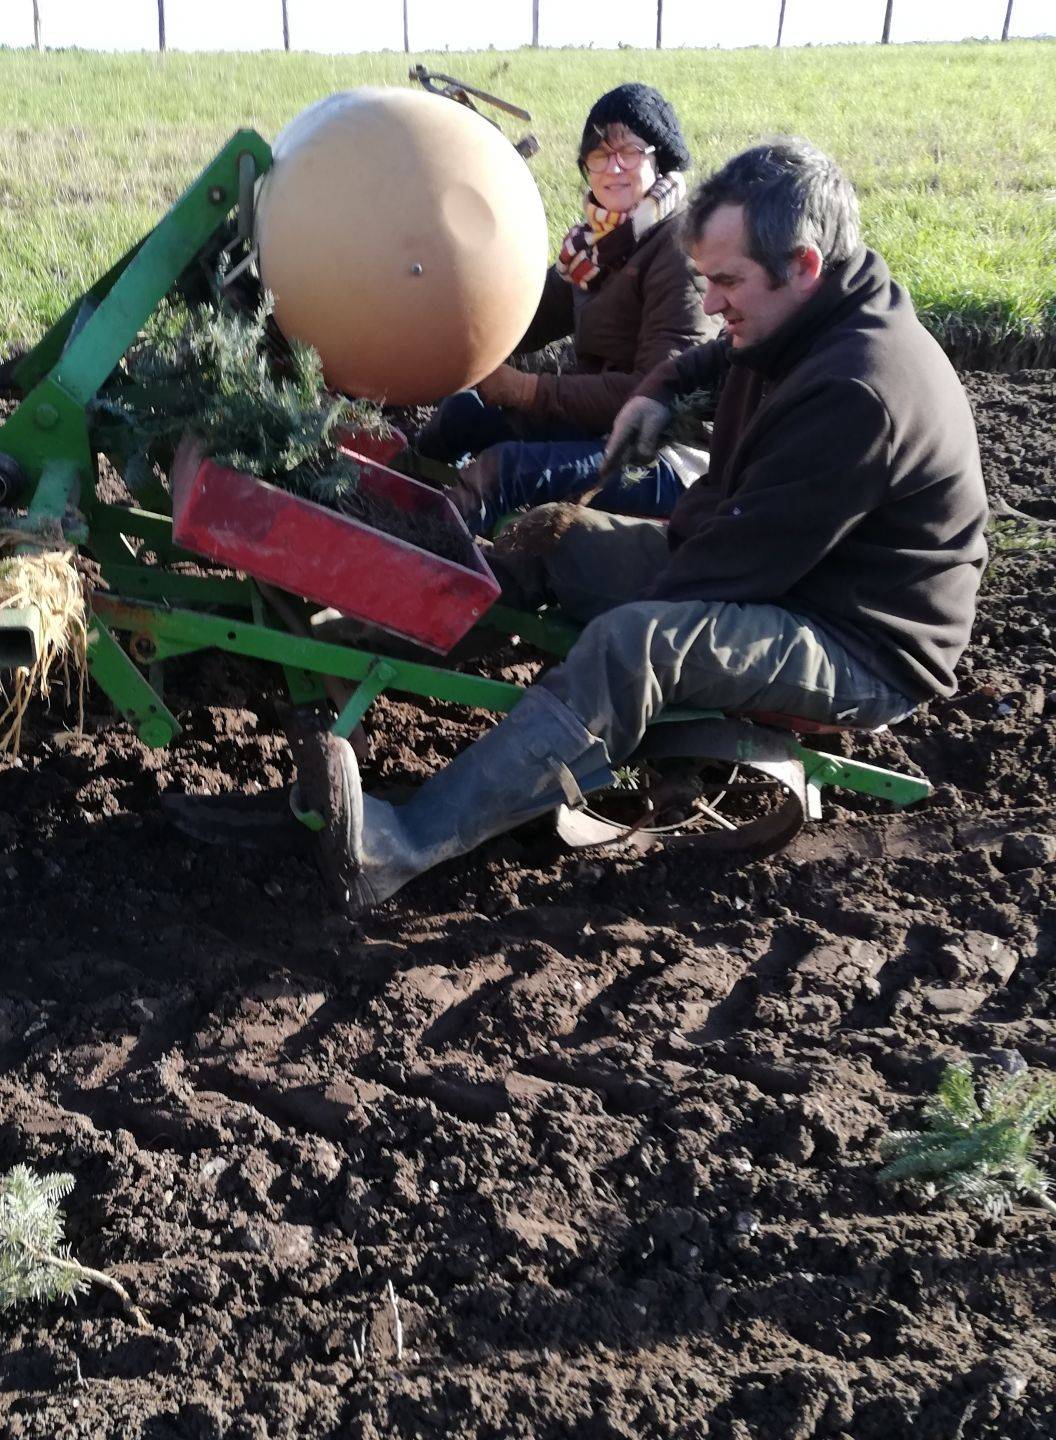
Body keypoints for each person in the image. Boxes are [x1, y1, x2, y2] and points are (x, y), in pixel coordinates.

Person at [308, 139, 987, 914]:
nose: (716, 300)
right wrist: (657, 392)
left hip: (857, 634)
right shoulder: (805, 312)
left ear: (803, 265)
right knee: (550, 538)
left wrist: (608, 608)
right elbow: (716, 357)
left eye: (728, 282)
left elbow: (727, 568)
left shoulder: (860, 394)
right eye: (708, 279)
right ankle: (348, 659)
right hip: (780, 562)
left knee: (634, 647)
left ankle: (399, 846)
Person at [415, 82, 720, 535]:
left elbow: (657, 392)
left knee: (503, 471)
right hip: (595, 430)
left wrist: (526, 391)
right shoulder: (592, 248)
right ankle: (395, 510)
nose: (613, 167)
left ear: (660, 159)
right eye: (599, 155)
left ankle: (431, 576)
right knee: (460, 417)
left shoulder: (678, 250)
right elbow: (528, 315)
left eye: (630, 152)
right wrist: (453, 326)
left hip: (661, 455)